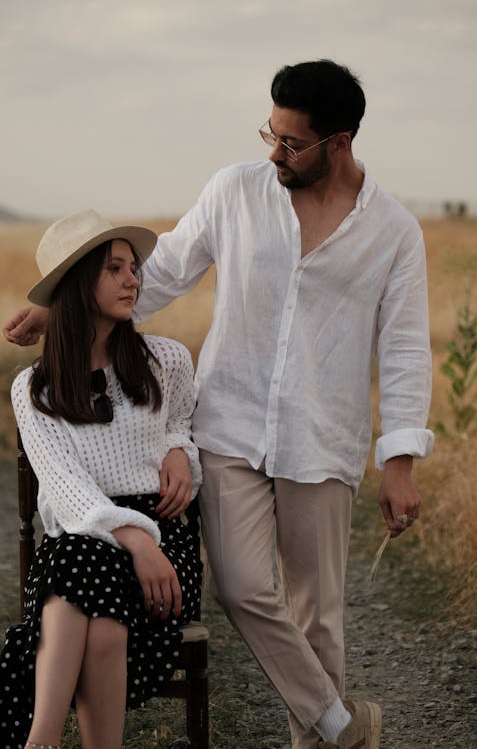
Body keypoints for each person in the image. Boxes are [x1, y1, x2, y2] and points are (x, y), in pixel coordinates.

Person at [3, 60, 434, 749]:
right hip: (228, 428)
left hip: (323, 440)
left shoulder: (394, 233)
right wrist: (62, 311)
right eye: (271, 132)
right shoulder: (236, 191)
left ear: (340, 143)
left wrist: (402, 459)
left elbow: (407, 347)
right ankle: (344, 726)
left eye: (292, 143)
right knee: (239, 587)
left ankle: (322, 740)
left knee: (317, 616)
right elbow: (162, 269)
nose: (274, 152)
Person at [0, 209, 203, 749]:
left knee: (78, 572)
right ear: (76, 283)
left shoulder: (168, 360)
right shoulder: (35, 389)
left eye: (132, 267)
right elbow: (64, 486)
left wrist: (182, 452)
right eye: (114, 268)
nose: (133, 279)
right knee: (96, 599)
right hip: (92, 536)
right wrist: (131, 537)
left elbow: (183, 425)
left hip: (164, 542)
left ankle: (39, 742)